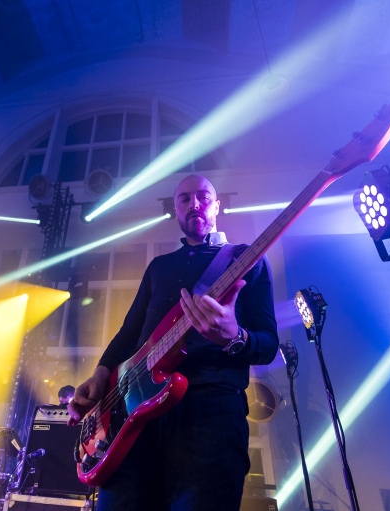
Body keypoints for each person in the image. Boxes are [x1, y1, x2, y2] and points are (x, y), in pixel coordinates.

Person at [67, 175, 279, 511]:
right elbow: (129, 334)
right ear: (175, 210)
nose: (194, 204)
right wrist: (100, 374)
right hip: (134, 419)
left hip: (209, 416)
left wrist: (233, 337)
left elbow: (268, 344)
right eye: (184, 199)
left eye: (203, 196)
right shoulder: (158, 267)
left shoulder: (247, 259)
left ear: (217, 205)